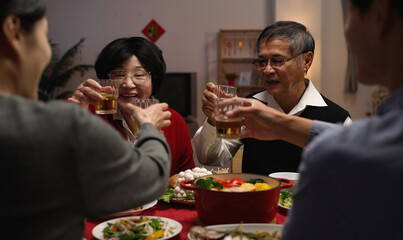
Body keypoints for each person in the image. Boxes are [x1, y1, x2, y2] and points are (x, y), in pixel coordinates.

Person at [221, 0, 403, 238]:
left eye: (349, 16)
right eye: (262, 61)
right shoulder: (254, 106)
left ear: (382, 16)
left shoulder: (333, 147)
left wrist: (283, 127)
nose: (347, 31)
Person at [0, 0, 172, 239]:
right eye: (45, 36)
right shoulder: (67, 121)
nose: (128, 83)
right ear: (14, 30)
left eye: (139, 74)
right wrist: (150, 128)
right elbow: (145, 181)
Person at [192, 21, 351, 175]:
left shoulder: (337, 119)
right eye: (262, 61)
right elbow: (211, 158)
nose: (267, 70)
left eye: (277, 61)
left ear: (307, 61)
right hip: (255, 201)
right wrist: (214, 121)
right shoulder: (250, 107)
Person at [68, 37, 195, 176]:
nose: (128, 84)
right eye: (119, 74)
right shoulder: (85, 112)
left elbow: (186, 181)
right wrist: (73, 116)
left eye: (139, 75)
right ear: (106, 79)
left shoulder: (173, 121)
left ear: (154, 80)